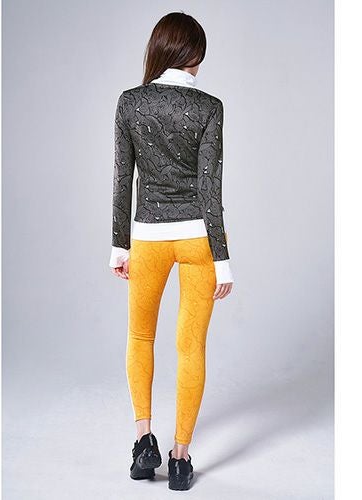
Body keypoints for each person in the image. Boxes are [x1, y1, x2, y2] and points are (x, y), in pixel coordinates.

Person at [109, 11, 234, 491]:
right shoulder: (210, 107)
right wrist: (222, 259)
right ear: (195, 55)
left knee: (140, 336)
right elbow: (210, 190)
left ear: (158, 50)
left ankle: (144, 441)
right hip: (198, 239)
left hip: (147, 238)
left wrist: (119, 246)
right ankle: (180, 458)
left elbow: (123, 179)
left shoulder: (130, 103)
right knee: (191, 346)